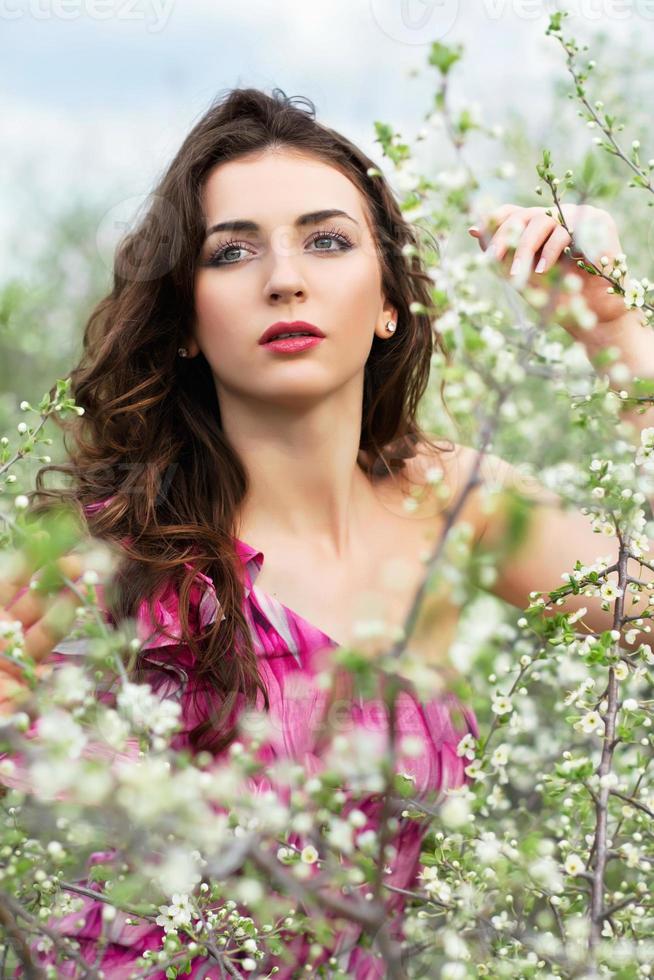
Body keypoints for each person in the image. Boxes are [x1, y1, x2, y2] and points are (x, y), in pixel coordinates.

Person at [1, 86, 651, 977]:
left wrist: (613, 324)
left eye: (328, 239)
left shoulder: (452, 502)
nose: (284, 278)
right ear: (185, 322)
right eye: (231, 252)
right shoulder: (110, 560)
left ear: (390, 302)